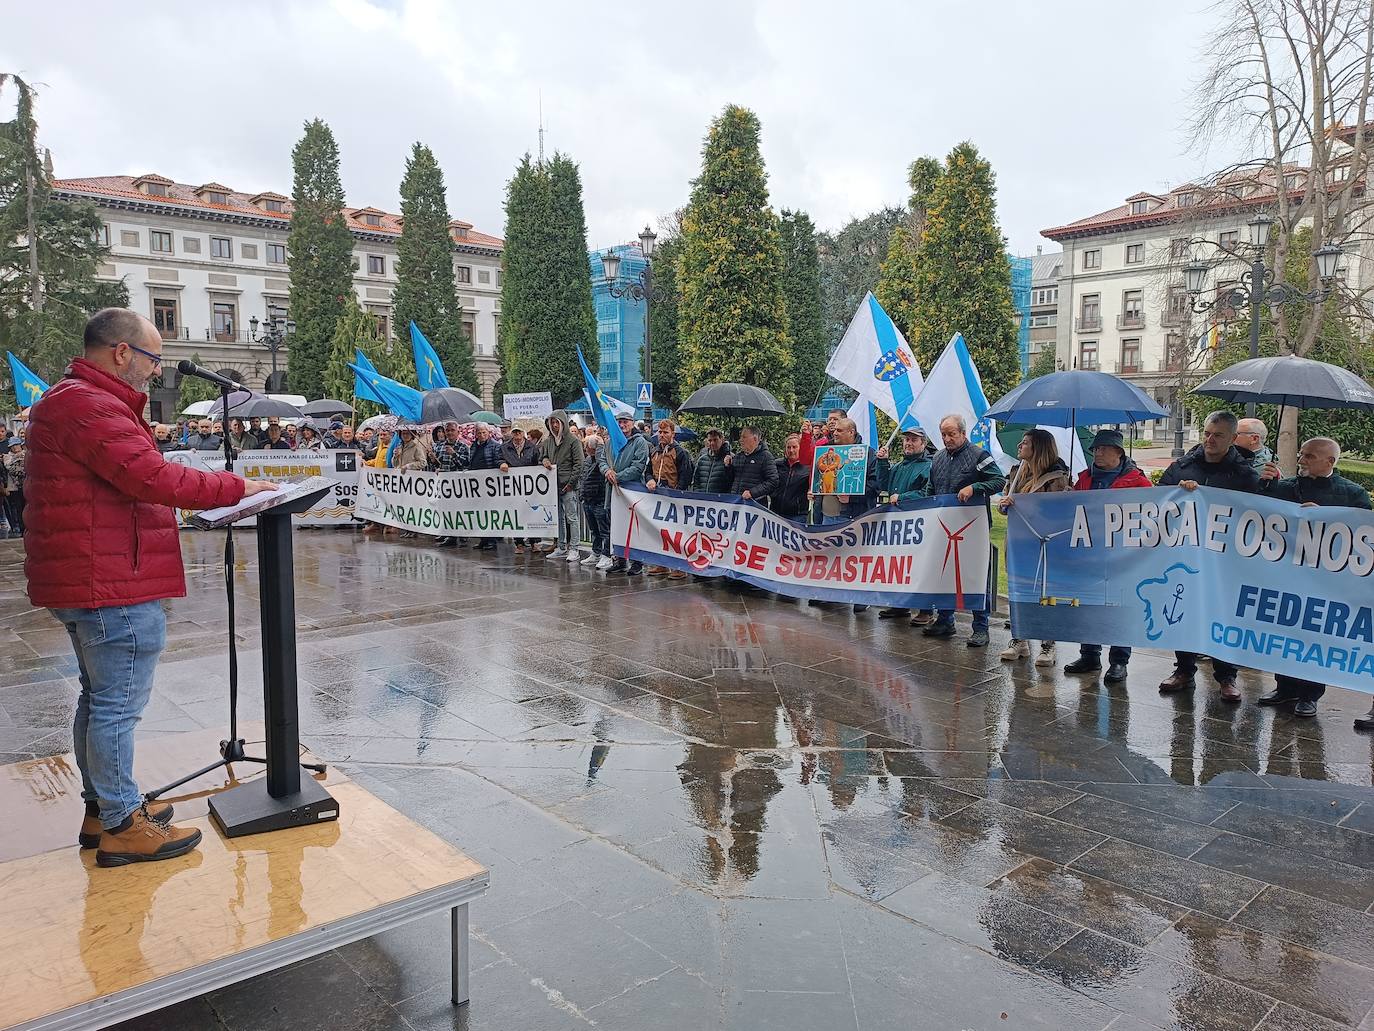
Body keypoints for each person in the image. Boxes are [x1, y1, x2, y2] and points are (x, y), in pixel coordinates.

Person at [25, 308, 275, 866]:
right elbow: (152, 477)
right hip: (111, 578)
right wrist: (236, 487)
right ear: (121, 352)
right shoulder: (90, 406)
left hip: (94, 574)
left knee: (98, 699)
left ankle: (105, 807)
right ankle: (121, 823)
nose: (156, 371)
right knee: (116, 706)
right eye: (152, 358)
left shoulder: (74, 401)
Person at [1256, 437, 1371, 716]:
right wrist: (1263, 484)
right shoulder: (1284, 488)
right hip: (1287, 575)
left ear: (1330, 461)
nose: (1301, 460)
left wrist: (1328, 519)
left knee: (1314, 637)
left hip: (1325, 582)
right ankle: (1284, 687)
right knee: (1284, 632)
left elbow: (1364, 533)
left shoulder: (1353, 494)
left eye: (1309, 456)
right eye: (1301, 455)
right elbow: (1256, 511)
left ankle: (1309, 695)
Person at [1156, 410, 1261, 701]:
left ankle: (1226, 677)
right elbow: (1156, 500)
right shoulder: (1182, 466)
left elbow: (1255, 513)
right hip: (1185, 554)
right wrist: (1177, 493)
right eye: (1207, 433)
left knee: (1222, 615)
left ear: (1232, 438)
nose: (1210, 440)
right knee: (1183, 611)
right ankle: (1184, 669)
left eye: (1218, 435)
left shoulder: (1244, 474)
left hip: (1224, 559)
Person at [1063, 429, 1153, 683]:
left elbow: (1153, 512)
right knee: (1089, 605)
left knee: (1120, 607)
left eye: (1103, 448)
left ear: (1118, 452)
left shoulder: (1138, 482)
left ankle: (1119, 661)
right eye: (1095, 449)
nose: (1097, 453)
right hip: (1089, 555)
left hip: (1122, 557)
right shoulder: (1084, 479)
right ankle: (1089, 654)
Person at [921, 414, 1007, 647]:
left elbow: (999, 481)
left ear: (963, 433)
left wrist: (975, 486)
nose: (947, 439)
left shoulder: (979, 455)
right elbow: (931, 488)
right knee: (944, 574)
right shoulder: (937, 458)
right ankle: (945, 619)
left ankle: (981, 627)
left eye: (951, 434)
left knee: (976, 575)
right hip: (943, 526)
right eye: (943, 435)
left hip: (973, 526)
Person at [997, 429, 1072, 667]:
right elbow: (1003, 506)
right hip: (1018, 543)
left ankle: (1047, 644)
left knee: (1045, 594)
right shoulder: (1016, 473)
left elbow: (1057, 512)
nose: (1019, 445)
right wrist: (1005, 503)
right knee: (1019, 593)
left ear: (1038, 447)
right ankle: (1019, 639)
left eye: (1026, 442)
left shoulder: (1056, 478)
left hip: (1043, 544)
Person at [876, 427, 934, 623]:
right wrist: (882, 462)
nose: (908, 443)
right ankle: (900, 605)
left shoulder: (928, 466)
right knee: (900, 566)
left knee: (920, 567)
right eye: (906, 439)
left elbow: (928, 492)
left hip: (918, 524)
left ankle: (925, 610)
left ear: (923, 444)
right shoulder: (900, 466)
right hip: (899, 525)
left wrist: (903, 497)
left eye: (913, 440)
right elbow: (883, 484)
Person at [600, 413, 650, 575]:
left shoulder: (639, 442)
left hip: (631, 491)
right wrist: (607, 471)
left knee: (634, 527)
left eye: (625, 422)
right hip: (612, 491)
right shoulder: (609, 442)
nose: (622, 425)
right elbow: (602, 460)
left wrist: (618, 476)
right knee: (616, 526)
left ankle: (637, 561)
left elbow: (638, 466)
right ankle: (620, 560)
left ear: (632, 423)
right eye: (619, 422)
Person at [542, 410, 586, 563]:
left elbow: (579, 464)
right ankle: (561, 546)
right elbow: (543, 455)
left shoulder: (573, 441)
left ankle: (574, 548)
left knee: (571, 517)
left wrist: (571, 483)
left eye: (557, 423)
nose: (554, 426)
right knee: (559, 517)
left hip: (569, 486)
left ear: (562, 423)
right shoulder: (549, 441)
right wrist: (545, 460)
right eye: (551, 423)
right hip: (554, 485)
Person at [429, 422, 472, 548]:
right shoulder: (439, 446)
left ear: (457, 431)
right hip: (443, 484)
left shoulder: (463, 446)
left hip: (458, 483)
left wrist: (454, 454)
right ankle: (449, 534)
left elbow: (465, 464)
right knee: (445, 508)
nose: (449, 433)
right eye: (447, 430)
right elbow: (436, 464)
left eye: (452, 430)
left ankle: (462, 533)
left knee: (459, 509)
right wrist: (433, 460)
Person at [498, 427, 540, 553]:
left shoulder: (532, 447)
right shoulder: (505, 447)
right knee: (516, 514)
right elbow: (499, 458)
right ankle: (519, 543)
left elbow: (536, 462)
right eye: (515, 432)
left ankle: (534, 542)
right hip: (513, 486)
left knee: (532, 513)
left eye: (519, 432)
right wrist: (502, 463)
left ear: (523, 433)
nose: (517, 435)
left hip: (529, 486)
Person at [467, 423, 503, 551]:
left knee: (489, 513)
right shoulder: (473, 446)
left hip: (489, 485)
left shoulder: (495, 446)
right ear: (476, 434)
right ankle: (483, 539)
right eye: (479, 433)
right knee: (479, 513)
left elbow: (498, 461)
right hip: (476, 485)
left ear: (488, 433)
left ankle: (491, 541)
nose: (482, 435)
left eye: (484, 433)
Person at [579, 432, 612, 569]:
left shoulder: (602, 459)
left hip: (599, 499)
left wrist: (600, 448)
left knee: (605, 530)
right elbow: (583, 477)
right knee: (594, 530)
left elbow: (601, 465)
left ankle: (607, 555)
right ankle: (596, 552)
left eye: (588, 446)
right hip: (588, 499)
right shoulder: (587, 460)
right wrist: (582, 495)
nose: (586, 449)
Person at [729, 425, 780, 504]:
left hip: (755, 505)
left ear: (755, 439)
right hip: (736, 503)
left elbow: (773, 481)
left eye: (744, 437)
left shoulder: (766, 456)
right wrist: (727, 466)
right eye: (741, 437)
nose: (740, 440)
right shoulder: (739, 456)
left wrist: (752, 493)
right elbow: (730, 478)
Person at [771, 433, 811, 522]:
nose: (791, 450)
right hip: (775, 513)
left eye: (794, 447)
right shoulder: (776, 464)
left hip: (797, 516)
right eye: (788, 447)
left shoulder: (808, 466)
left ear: (800, 448)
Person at [690, 427, 733, 493]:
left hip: (720, 500)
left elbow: (731, 482)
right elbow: (696, 481)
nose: (712, 443)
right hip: (702, 500)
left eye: (715, 440)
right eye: (710, 440)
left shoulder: (730, 458)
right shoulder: (702, 459)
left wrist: (728, 467)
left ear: (722, 439)